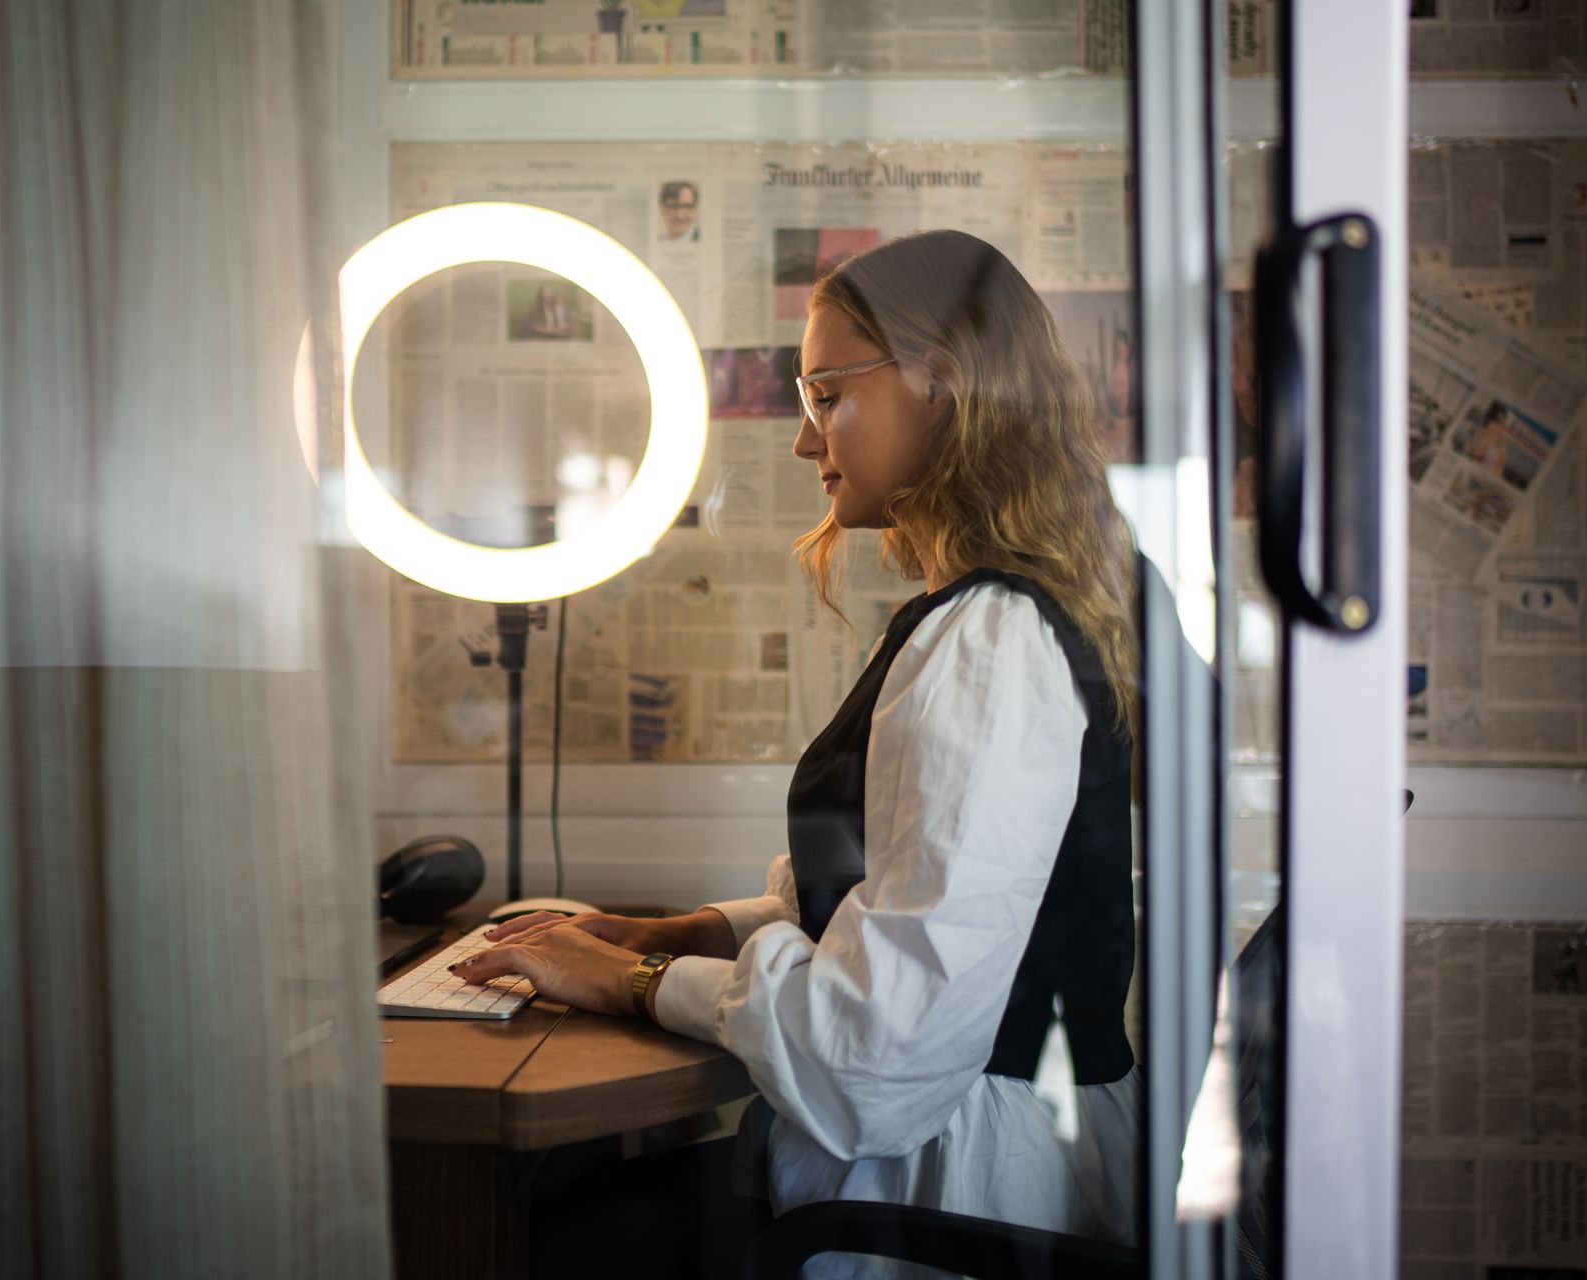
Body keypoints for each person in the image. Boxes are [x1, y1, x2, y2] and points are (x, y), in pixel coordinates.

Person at [458, 230, 1143, 1275]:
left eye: (826, 394)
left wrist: (640, 978)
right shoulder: (973, 621)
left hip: (946, 1195)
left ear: (942, 383)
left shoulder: (988, 643)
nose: (801, 437)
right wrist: (691, 929)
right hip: (937, 1155)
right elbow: (890, 896)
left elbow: (878, 1057)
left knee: (530, 1233)